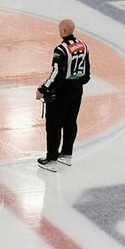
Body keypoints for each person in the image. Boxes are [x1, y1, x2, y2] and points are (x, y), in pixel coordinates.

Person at [37, 18, 90, 169]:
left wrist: (43, 89)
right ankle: (67, 154)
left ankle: (52, 159)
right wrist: (77, 83)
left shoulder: (61, 50)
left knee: (54, 124)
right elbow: (86, 71)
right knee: (70, 121)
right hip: (77, 89)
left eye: (60, 28)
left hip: (62, 91)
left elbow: (57, 73)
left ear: (64, 30)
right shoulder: (83, 45)